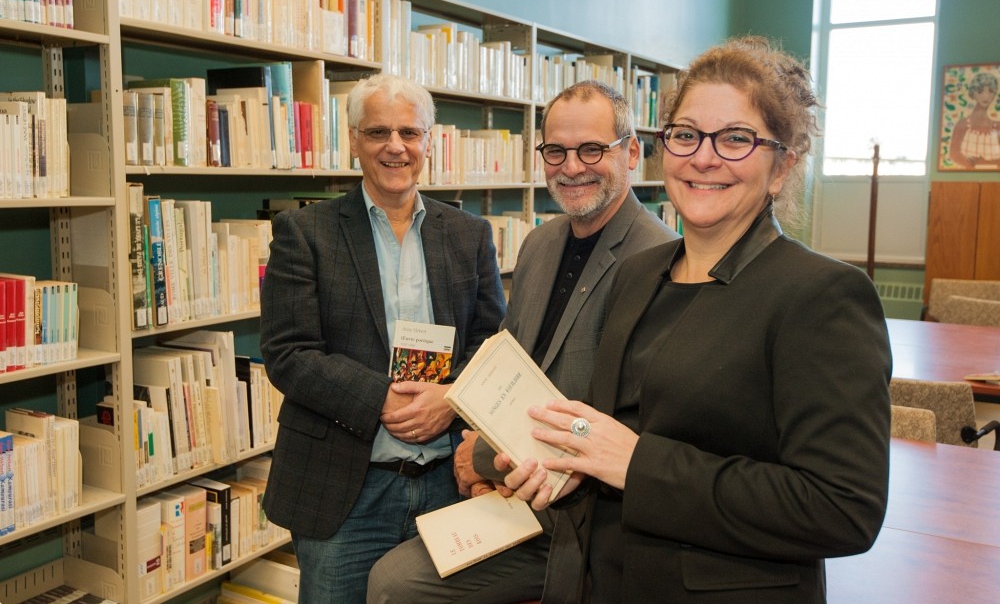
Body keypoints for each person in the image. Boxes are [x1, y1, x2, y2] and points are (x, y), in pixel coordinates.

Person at [501, 37, 892, 604]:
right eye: (686, 135)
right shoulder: (639, 275)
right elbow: (616, 435)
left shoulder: (822, 295)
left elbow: (842, 509)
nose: (703, 157)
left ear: (782, 166)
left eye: (736, 138)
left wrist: (636, 464)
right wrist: (566, 464)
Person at [367, 80, 678, 603]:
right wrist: (477, 444)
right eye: (555, 150)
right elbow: (509, 362)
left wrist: (483, 457)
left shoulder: (658, 258)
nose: (571, 166)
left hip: (591, 516)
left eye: (591, 149)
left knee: (397, 586)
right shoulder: (541, 243)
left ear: (630, 153)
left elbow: (617, 416)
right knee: (392, 581)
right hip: (517, 492)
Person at [259, 73, 505, 604]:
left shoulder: (468, 234)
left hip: (447, 484)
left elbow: (492, 343)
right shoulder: (305, 233)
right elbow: (288, 353)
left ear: (428, 141)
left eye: (409, 133)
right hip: (346, 488)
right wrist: (380, 398)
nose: (395, 147)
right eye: (378, 133)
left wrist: (451, 396)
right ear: (353, 140)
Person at [949, 72, 1000, 168]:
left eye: (990, 91)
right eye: (980, 91)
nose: (986, 96)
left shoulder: (998, 127)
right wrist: (972, 165)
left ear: (994, 94)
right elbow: (954, 154)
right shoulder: (962, 124)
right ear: (973, 93)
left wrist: (982, 163)